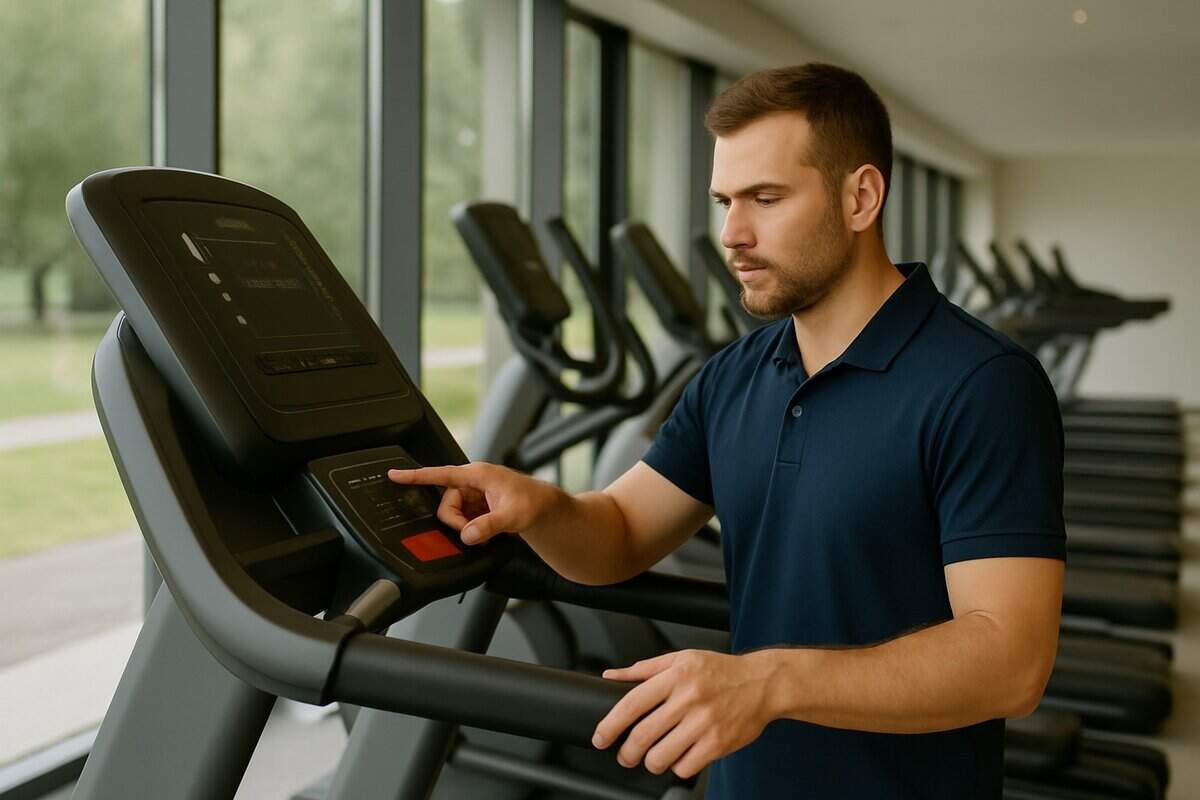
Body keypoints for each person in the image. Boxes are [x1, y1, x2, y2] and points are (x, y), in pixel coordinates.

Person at [390, 62, 1065, 799]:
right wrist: (543, 507)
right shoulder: (733, 377)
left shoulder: (982, 384)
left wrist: (769, 682)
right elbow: (618, 532)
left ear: (861, 197)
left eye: (765, 199)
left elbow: (1011, 661)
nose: (732, 234)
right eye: (724, 201)